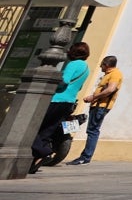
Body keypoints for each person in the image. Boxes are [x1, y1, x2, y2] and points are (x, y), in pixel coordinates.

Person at [29, 41, 90, 174]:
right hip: (69, 101)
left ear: (73, 52)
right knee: (47, 130)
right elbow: (78, 86)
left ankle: (43, 152)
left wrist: (51, 81)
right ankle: (35, 160)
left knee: (32, 126)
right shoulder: (86, 67)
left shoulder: (73, 64)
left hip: (57, 99)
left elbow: (64, 81)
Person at [68, 55, 123, 165]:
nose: (100, 67)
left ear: (106, 65)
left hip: (101, 106)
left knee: (93, 131)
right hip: (97, 106)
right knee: (92, 130)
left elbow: (110, 89)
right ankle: (85, 156)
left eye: (101, 64)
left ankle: (85, 157)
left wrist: (93, 97)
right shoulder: (109, 74)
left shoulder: (115, 74)